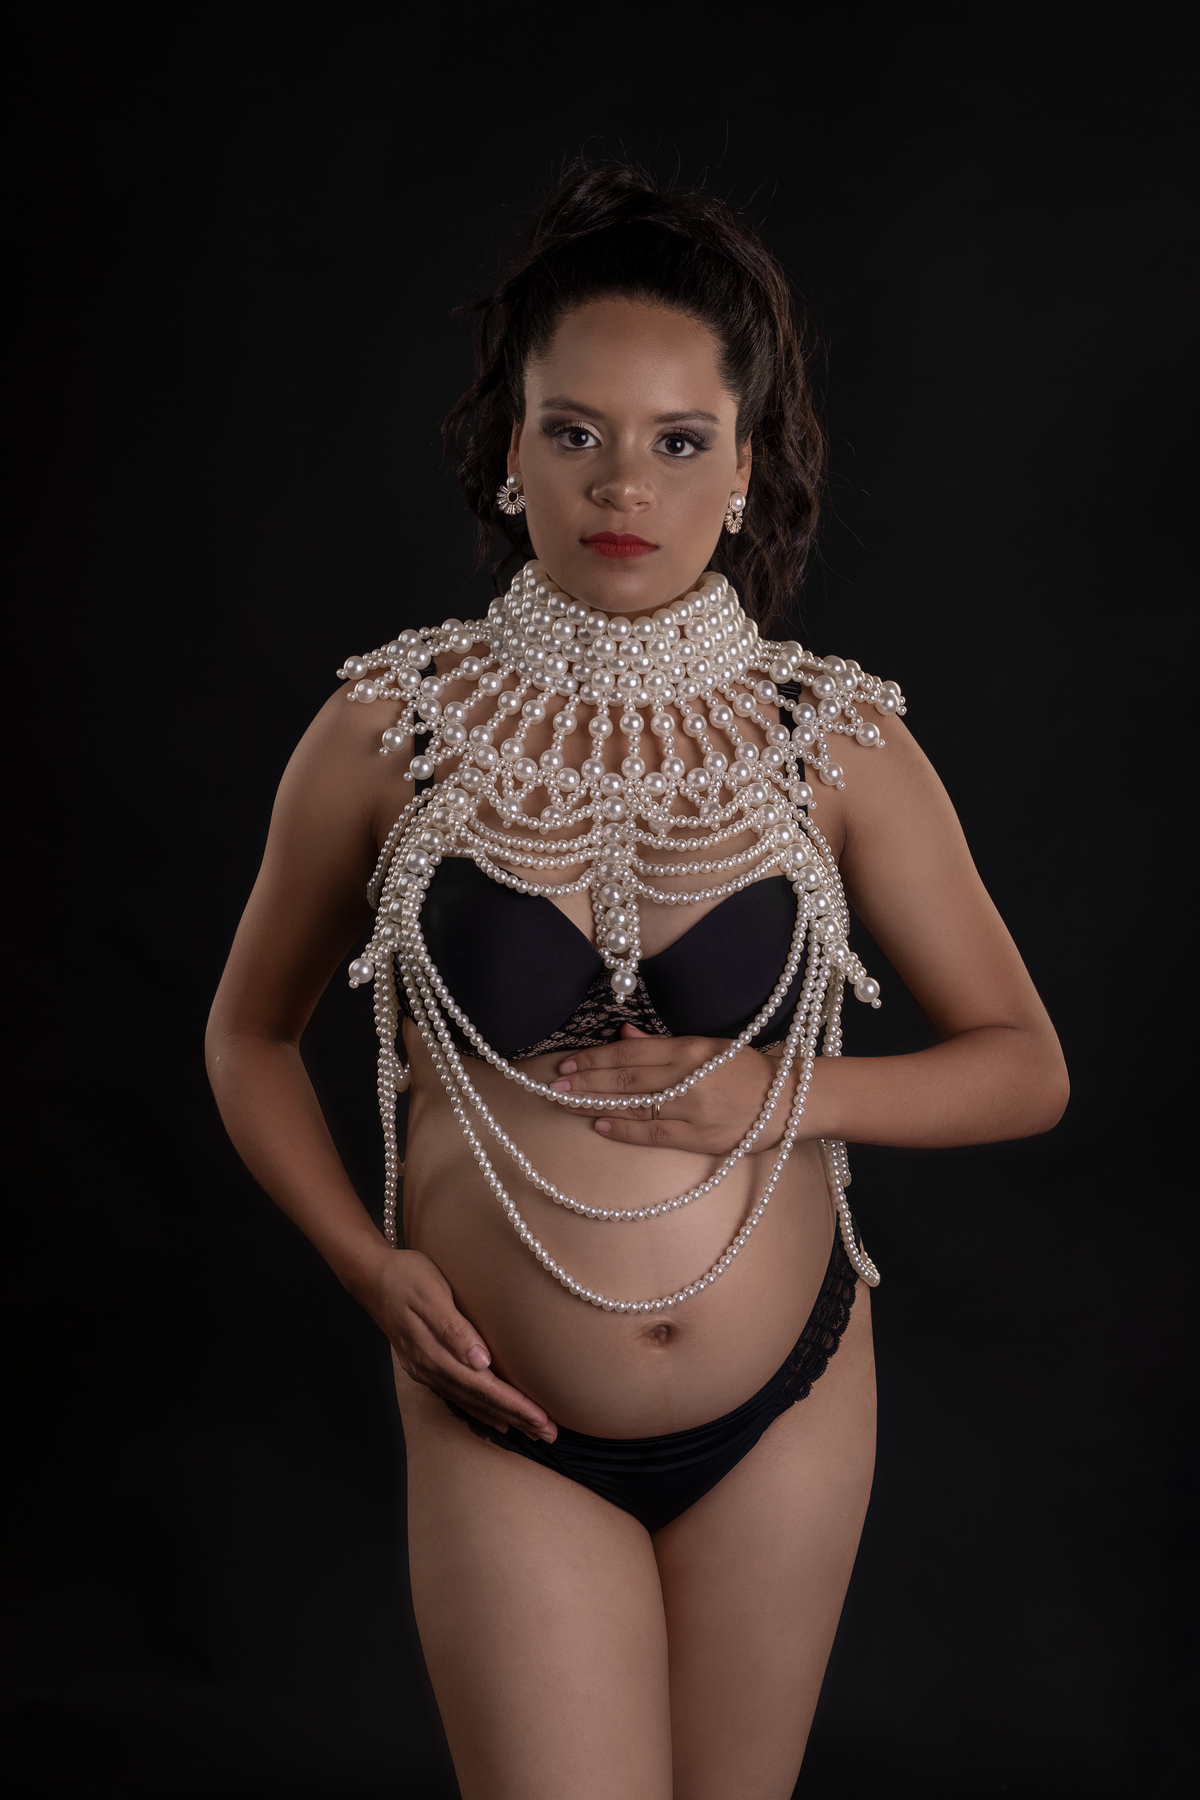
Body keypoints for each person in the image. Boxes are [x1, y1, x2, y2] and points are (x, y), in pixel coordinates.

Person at [206, 162, 1068, 1800]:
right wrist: (363, 1268)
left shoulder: (835, 738)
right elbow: (248, 1034)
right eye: (574, 431)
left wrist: (768, 1096)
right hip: (508, 1414)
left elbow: (1026, 1064)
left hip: (786, 1409)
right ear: (510, 449)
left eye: (680, 441)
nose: (624, 483)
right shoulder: (390, 726)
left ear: (744, 469)